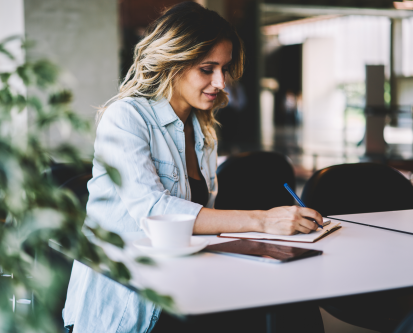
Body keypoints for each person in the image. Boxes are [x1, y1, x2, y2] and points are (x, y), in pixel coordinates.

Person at [63, 2, 324, 333]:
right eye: (207, 69)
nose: (221, 82)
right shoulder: (126, 118)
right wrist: (263, 220)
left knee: (288, 299)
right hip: (130, 305)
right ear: (174, 62)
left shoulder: (203, 130)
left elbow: (199, 225)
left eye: (224, 69)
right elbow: (155, 210)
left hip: (183, 287)